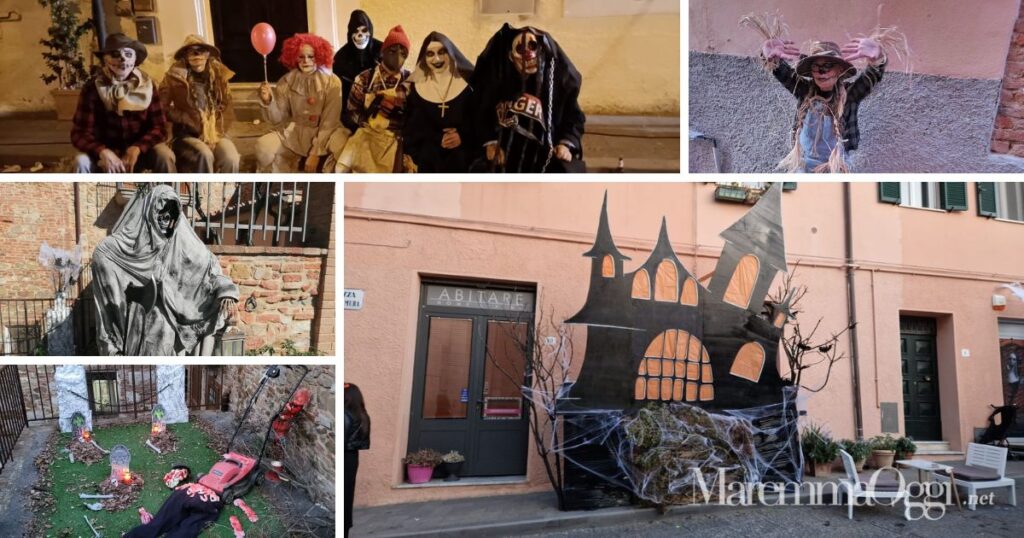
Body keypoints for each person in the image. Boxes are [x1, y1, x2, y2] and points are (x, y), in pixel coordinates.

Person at [91, 185, 238, 355]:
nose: (164, 220)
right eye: (160, 213)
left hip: (172, 316)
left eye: (170, 216)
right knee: (157, 331)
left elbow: (208, 266)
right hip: (139, 318)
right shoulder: (120, 247)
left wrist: (226, 290)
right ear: (149, 212)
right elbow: (105, 256)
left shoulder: (179, 240)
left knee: (164, 331)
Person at [470, 24, 585, 173]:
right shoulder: (497, 80)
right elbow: (480, 112)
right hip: (505, 153)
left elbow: (574, 117)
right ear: (511, 56)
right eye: (520, 49)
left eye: (533, 46)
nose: (529, 56)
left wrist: (566, 145)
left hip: (545, 154)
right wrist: (490, 143)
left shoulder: (557, 83)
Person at [761, 37, 886, 173]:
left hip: (836, 165)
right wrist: (771, 58)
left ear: (839, 70)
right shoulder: (804, 90)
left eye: (828, 66)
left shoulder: (850, 95)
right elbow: (781, 72)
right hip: (805, 166)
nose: (822, 72)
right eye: (816, 66)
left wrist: (878, 60)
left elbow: (870, 78)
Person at [71, 33, 175, 173]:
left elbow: (160, 128)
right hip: (103, 153)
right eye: (115, 54)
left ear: (135, 59)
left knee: (165, 156)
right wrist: (103, 151)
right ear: (105, 59)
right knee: (81, 162)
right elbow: (80, 133)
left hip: (140, 152)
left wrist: (137, 148)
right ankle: (83, 193)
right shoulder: (92, 88)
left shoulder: (147, 86)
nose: (122, 59)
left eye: (128, 54)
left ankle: (168, 194)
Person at [256, 33, 347, 173]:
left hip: (327, 133)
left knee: (344, 147)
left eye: (311, 56)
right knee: (263, 145)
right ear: (294, 57)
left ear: (319, 56)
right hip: (295, 132)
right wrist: (268, 101)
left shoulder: (332, 82)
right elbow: (277, 119)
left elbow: (330, 121)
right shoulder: (286, 81)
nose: (306, 61)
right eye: (301, 56)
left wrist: (315, 153)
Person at [337, 25, 413, 173]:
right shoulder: (364, 79)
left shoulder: (411, 82)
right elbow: (352, 111)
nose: (398, 56)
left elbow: (415, 117)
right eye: (392, 51)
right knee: (342, 169)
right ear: (383, 52)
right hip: (367, 136)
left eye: (403, 52)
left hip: (396, 140)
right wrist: (369, 120)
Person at [159, 35, 240, 173]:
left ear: (208, 54)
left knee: (231, 157)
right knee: (204, 154)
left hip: (215, 134)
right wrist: (185, 118)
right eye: (191, 51)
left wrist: (216, 133)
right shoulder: (174, 77)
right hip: (187, 135)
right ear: (185, 55)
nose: (197, 55)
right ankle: (204, 193)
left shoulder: (218, 75)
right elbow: (161, 106)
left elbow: (227, 107)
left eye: (201, 50)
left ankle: (227, 192)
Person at [403, 32, 477, 173]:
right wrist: (437, 138)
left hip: (463, 157)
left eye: (442, 52)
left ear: (450, 53)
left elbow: (479, 120)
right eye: (430, 54)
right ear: (424, 58)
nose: (436, 59)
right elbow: (413, 127)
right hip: (429, 159)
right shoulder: (416, 87)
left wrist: (461, 135)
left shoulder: (469, 85)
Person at [333, 9, 383, 111]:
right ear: (350, 33)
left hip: (380, 108)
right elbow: (339, 91)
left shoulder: (381, 50)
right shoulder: (341, 57)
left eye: (364, 31)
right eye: (355, 31)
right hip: (351, 108)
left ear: (370, 30)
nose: (360, 35)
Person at [345, 383, 371, 538]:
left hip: (345, 457)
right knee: (347, 498)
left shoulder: (346, 415)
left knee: (345, 497)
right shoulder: (362, 415)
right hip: (352, 458)